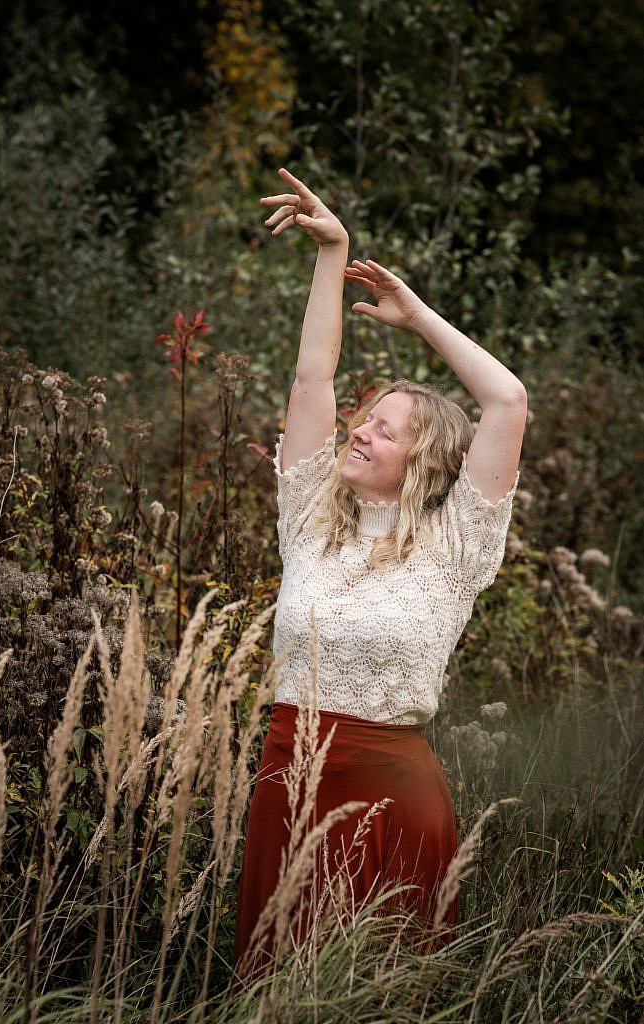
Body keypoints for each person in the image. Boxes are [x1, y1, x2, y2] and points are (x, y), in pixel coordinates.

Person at [235, 168, 527, 976]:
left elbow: (505, 401)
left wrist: (416, 315)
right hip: (284, 789)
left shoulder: (456, 543)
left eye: (385, 430)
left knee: (385, 991)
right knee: (275, 988)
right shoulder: (309, 523)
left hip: (394, 798)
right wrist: (333, 254)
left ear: (425, 461)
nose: (359, 433)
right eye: (364, 421)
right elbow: (311, 380)